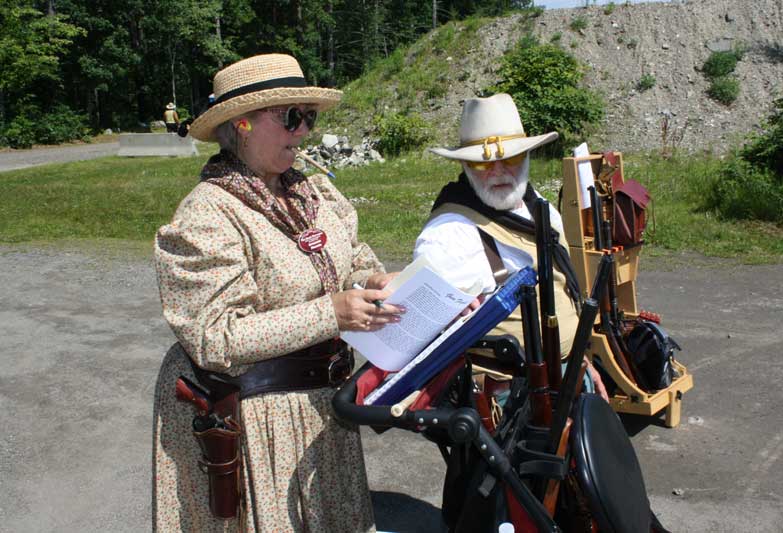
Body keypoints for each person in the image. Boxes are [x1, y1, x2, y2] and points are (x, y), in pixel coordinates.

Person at [151, 54, 402, 532]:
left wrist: (374, 281)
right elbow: (214, 337)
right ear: (241, 124)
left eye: (310, 116)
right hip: (258, 420)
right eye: (291, 117)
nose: (304, 130)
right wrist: (331, 313)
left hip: (323, 411)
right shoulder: (208, 214)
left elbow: (355, 257)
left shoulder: (314, 193)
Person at [413, 93, 607, 399]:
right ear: (464, 164)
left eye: (512, 158)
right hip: (507, 401)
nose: (499, 170)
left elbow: (558, 293)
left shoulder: (536, 204)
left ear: (527, 156)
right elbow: (427, 332)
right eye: (482, 163)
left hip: (566, 374)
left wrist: (577, 359)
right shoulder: (448, 235)